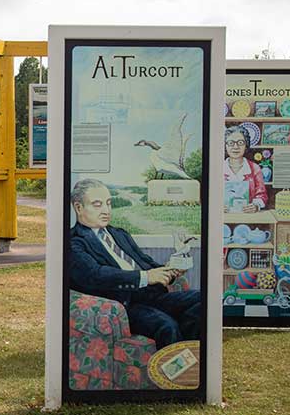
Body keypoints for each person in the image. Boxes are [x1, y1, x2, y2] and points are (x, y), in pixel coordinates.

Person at [68, 178, 201, 349]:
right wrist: (145, 276)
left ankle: (190, 358)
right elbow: (96, 275)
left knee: (201, 300)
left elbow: (145, 262)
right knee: (167, 326)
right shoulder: (74, 242)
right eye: (97, 204)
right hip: (124, 306)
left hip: (151, 295)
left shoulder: (119, 234)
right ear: (79, 207)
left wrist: (168, 269)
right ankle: (175, 371)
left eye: (108, 203)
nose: (106, 210)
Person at [224, 125, 268, 213]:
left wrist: (256, 206)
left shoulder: (254, 168)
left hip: (248, 216)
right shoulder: (218, 168)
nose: (235, 147)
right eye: (231, 143)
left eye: (240, 143)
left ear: (246, 145)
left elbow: (262, 195)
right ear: (225, 145)